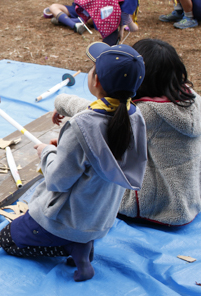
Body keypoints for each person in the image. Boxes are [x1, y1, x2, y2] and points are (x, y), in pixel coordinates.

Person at [0, 43, 147, 282]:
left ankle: (73, 247)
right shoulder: (135, 116)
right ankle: (83, 245)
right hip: (99, 219)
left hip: (66, 220)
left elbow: (58, 181)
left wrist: (47, 152)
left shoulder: (82, 125)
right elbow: (99, 157)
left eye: (92, 68)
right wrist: (65, 147)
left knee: (6, 239)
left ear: (95, 80)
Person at [56, 40, 201, 225]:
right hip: (189, 198)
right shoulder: (190, 96)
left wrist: (61, 101)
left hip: (159, 207)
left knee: (84, 176)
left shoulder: (148, 112)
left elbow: (98, 116)